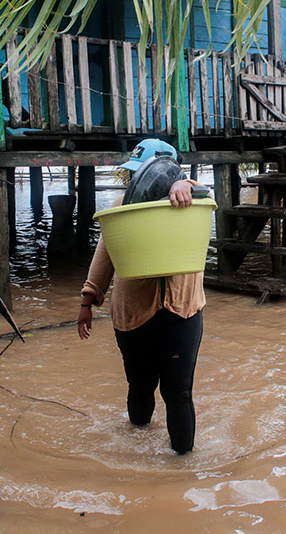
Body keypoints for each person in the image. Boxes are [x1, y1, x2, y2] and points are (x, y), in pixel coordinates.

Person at [77, 139, 204, 455]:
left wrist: (181, 182)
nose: (136, 180)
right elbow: (106, 252)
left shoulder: (191, 200)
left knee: (177, 392)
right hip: (132, 313)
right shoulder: (123, 204)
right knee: (140, 386)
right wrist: (88, 300)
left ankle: (182, 468)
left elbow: (204, 193)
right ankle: (137, 446)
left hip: (182, 310)